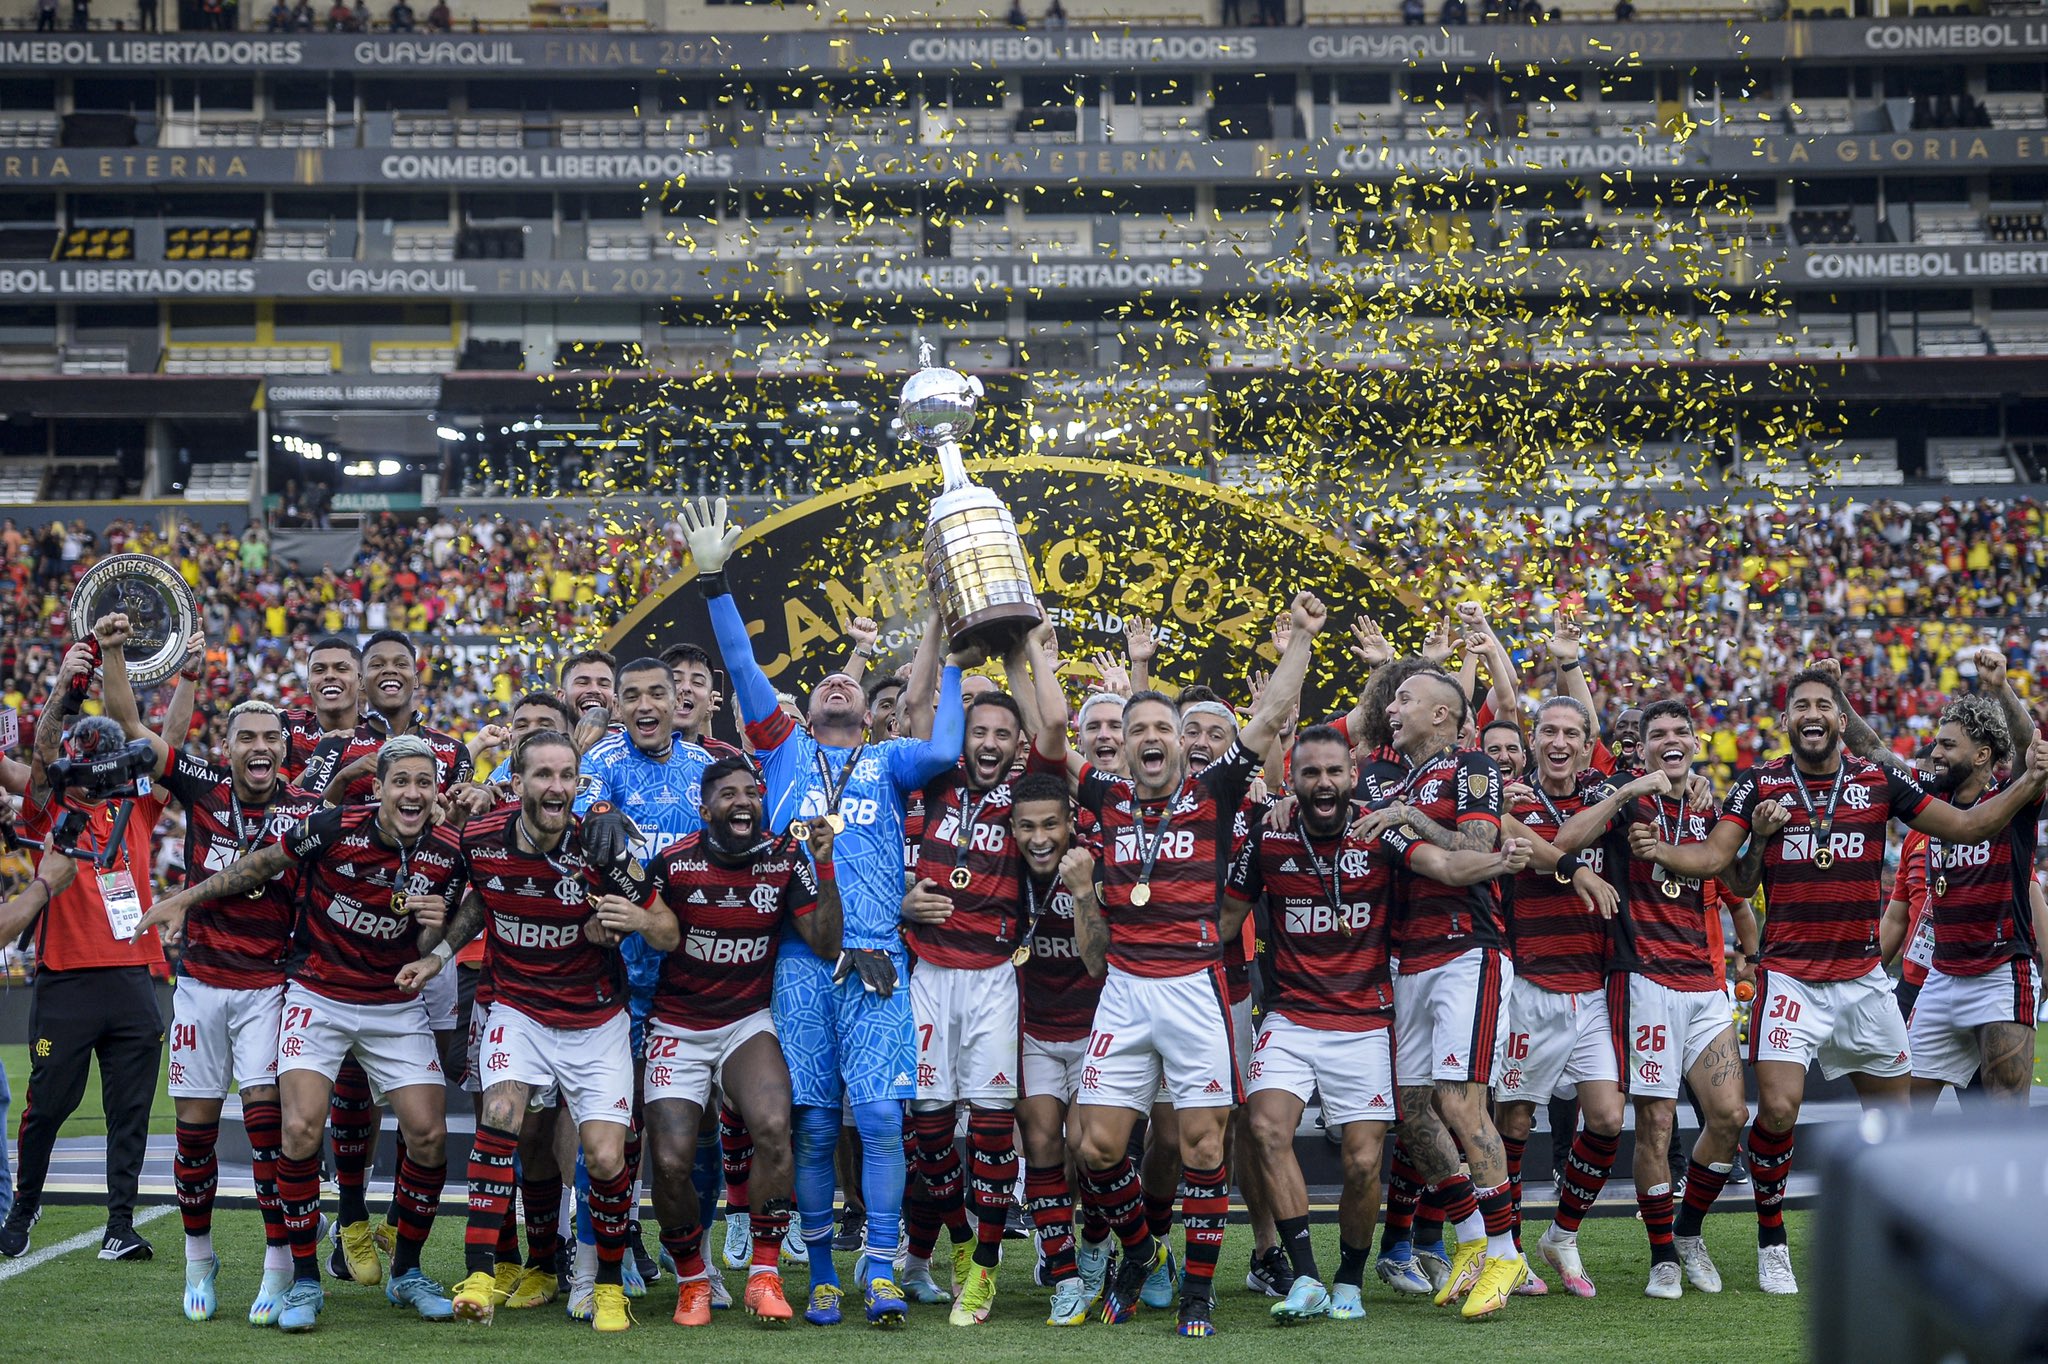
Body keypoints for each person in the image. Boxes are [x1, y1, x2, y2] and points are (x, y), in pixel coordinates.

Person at [1643, 668, 2048, 1294]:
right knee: (1776, 1108)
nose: (1812, 714)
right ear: (1784, 721)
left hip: (1862, 981)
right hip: (1791, 976)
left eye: (1823, 705)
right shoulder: (1757, 783)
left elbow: (1969, 825)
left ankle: (1898, 1242)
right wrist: (1661, 851)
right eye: (1799, 705)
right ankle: (1770, 1242)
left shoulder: (1880, 780)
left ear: (1840, 716)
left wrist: (2028, 781)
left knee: (1897, 1125)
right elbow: (1722, 865)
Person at [686, 495, 966, 1328]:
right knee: (810, 1125)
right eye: (824, 683)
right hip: (801, 960)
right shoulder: (779, 751)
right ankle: (818, 1271)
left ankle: (880, 1267)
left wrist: (955, 655)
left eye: (849, 681)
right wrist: (713, 580)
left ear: (869, 709)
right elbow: (739, 667)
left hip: (878, 955)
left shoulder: (889, 760)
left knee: (880, 1118)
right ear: (802, 713)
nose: (839, 681)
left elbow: (950, 748)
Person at [136, 736, 465, 1332]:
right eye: (402, 781)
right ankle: (304, 1281)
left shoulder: (448, 848)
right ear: (381, 787)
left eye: (425, 782)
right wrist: (184, 898)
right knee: (298, 1128)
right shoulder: (333, 826)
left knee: (429, 1135)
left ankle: (407, 1272)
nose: (413, 793)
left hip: (393, 1005)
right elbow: (261, 864)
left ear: (436, 791)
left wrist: (435, 944)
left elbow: (449, 927)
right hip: (318, 995)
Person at [1237, 726, 1559, 1323]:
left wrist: (1499, 861)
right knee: (1399, 1113)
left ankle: (1502, 1250)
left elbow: (1445, 862)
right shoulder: (1271, 834)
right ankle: (1325, 1272)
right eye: (1309, 774)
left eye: (1334, 771)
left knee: (1433, 1121)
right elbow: (1228, 913)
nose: (1323, 783)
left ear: (1353, 775)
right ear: (1294, 779)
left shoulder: (1381, 829)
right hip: (1303, 1011)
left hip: (1377, 1007)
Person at [1068, 591, 1321, 1338]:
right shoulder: (1104, 795)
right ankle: (1143, 1253)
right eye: (1137, 727)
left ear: (1182, 746)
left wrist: (1300, 638)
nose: (1150, 737)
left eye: (1162, 728)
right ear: (1121, 745)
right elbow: (1053, 728)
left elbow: (1271, 716)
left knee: (1205, 1144)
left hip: (1195, 990)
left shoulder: (1211, 794)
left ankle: (1199, 1296)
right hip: (1123, 990)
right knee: (1096, 1146)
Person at [99, 613, 318, 1325]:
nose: (260, 747)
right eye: (246, 737)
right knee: (192, 1132)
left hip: (269, 989)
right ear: (224, 750)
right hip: (198, 987)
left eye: (270, 738)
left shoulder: (306, 812)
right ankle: (200, 1262)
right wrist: (111, 651)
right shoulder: (200, 787)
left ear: (285, 751)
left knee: (265, 1134)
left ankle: (278, 1267)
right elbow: (133, 728)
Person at [397, 731, 642, 1333]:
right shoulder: (481, 838)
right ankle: (480, 1270)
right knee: (500, 1115)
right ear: (520, 781)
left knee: (607, 1158)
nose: (555, 787)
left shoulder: (601, 841)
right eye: (542, 775)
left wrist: (622, 921)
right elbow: (481, 898)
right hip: (519, 1008)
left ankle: (608, 1285)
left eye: (567, 776)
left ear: (579, 785)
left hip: (596, 1016)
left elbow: (657, 919)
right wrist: (441, 952)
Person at [631, 757, 843, 1327]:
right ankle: (693, 1281)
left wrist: (824, 866)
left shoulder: (785, 856)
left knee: (775, 1127)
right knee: (672, 1163)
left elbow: (826, 941)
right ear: (705, 811)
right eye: (728, 794)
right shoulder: (671, 864)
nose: (743, 801)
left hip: (747, 1021)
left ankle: (765, 1274)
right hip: (677, 1024)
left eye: (751, 791)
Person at [897, 631, 1065, 1324]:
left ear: (1018, 744)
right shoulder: (933, 781)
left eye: (1003, 732)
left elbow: (1054, 726)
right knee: (930, 1132)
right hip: (928, 975)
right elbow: (914, 706)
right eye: (979, 730)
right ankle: (962, 1241)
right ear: (962, 736)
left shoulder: (1030, 797)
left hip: (996, 980)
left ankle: (986, 1272)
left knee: (994, 1134)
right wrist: (944, 637)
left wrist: (1031, 657)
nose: (989, 742)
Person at [1, 643, 173, 1264]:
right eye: (90, 756)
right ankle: (22, 1209)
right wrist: (65, 689)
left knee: (129, 1111)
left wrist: (183, 679)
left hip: (132, 976)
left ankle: (120, 1225)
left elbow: (163, 738)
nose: (99, 766)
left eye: (107, 757)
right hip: (66, 978)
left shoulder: (139, 806)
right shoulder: (51, 807)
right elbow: (43, 750)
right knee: (47, 1104)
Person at [1492, 695, 1628, 1298]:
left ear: (1584, 740)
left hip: (1592, 987)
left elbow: (1668, 791)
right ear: (1533, 737)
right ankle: (1510, 1250)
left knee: (1605, 1118)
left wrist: (1694, 785)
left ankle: (1563, 1234)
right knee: (1514, 1120)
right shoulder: (1506, 797)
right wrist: (1575, 869)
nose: (1559, 742)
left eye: (1572, 732)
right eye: (1548, 730)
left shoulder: (1607, 795)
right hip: (1529, 984)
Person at [1897, 685, 2041, 1104]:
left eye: (1947, 744)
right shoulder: (1936, 798)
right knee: (1902, 1112)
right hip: (1942, 975)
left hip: (2000, 973)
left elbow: (2026, 744)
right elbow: (1879, 757)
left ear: (1981, 755)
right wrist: (1836, 695)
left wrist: (2000, 689)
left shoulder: (2012, 799)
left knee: (2003, 1117)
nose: (1935, 753)